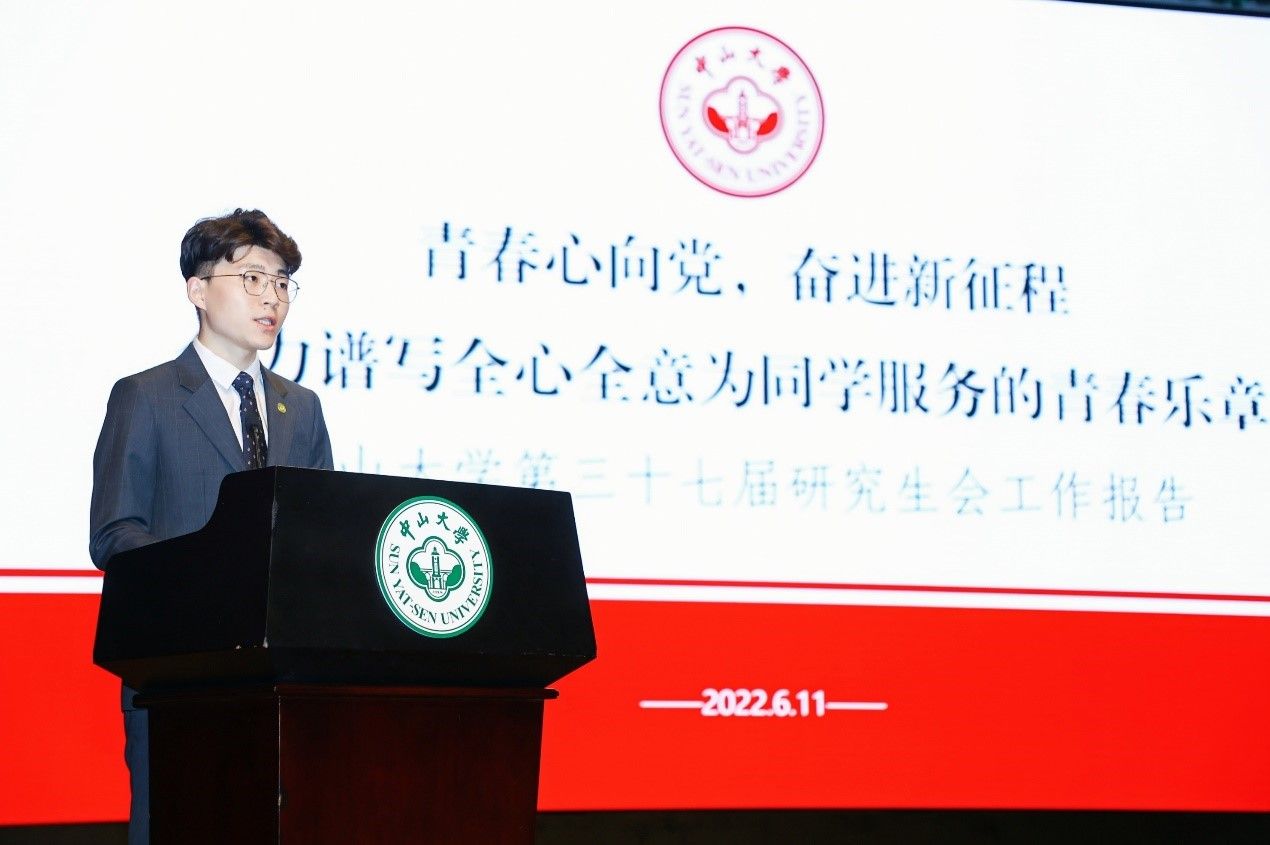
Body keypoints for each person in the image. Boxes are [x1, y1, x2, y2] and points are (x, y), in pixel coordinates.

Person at [89, 208, 334, 844]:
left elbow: (323, 534)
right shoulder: (146, 397)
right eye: (252, 278)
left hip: (283, 685)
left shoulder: (302, 407)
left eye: (281, 283)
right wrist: (209, 582)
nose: (272, 298)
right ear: (198, 290)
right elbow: (115, 532)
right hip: (181, 675)